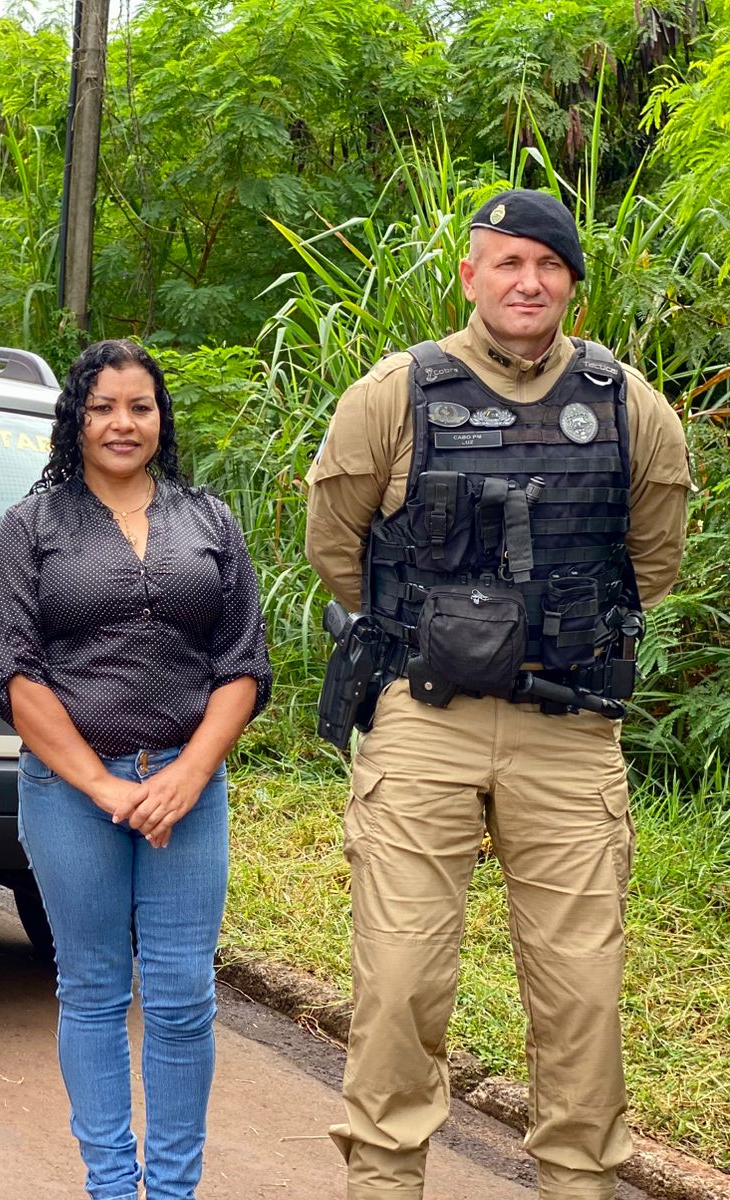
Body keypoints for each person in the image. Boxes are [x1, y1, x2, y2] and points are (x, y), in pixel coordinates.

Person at [305, 190, 691, 1200]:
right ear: (471, 273)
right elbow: (335, 550)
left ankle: (578, 1184)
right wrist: (445, 639)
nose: (527, 281)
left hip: (567, 734)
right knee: (397, 984)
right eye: (506, 261)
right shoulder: (394, 394)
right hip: (423, 723)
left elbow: (652, 561)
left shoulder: (626, 404)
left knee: (581, 998)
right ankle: (383, 1184)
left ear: (571, 281)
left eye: (547, 265)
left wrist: (541, 638)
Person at [0, 340, 272, 1200]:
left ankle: (173, 1192)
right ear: (77, 418)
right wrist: (104, 785)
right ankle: (112, 1185)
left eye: (139, 407)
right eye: (103, 406)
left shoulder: (208, 518)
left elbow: (243, 663)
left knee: (183, 995)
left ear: (160, 418)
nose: (122, 423)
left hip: (189, 784)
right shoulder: (36, 525)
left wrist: (188, 775)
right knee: (95, 987)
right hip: (74, 793)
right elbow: (13, 671)